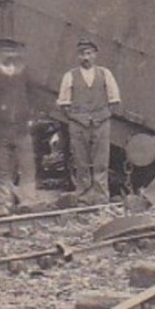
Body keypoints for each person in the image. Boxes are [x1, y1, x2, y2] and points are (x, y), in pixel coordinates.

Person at [56, 38, 121, 204]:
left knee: (101, 161)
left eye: (89, 53)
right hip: (78, 124)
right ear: (77, 56)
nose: (86, 57)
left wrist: (102, 117)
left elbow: (114, 101)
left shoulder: (105, 74)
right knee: (81, 160)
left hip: (101, 123)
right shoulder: (69, 76)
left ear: (95, 55)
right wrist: (78, 118)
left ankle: (100, 195)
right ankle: (84, 194)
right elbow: (64, 104)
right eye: (82, 54)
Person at [0, 37, 38, 212]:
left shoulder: (24, 73)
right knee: (1, 166)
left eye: (12, 51)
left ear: (17, 54)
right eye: (5, 51)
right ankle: (4, 201)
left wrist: (31, 114)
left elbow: (33, 95)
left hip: (21, 127)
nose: (9, 55)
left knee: (26, 164)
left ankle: (28, 200)